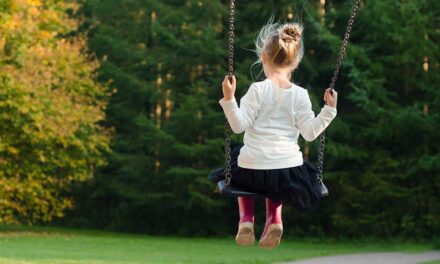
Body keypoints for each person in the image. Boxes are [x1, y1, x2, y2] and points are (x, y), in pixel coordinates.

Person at [218, 21, 338, 249]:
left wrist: (229, 98)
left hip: (252, 169)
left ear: (264, 56)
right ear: (295, 62)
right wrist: (329, 110)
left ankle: (245, 220)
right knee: (277, 175)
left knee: (238, 160)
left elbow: (238, 126)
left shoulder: (257, 90)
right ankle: (275, 219)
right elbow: (310, 133)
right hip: (287, 172)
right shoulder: (301, 95)